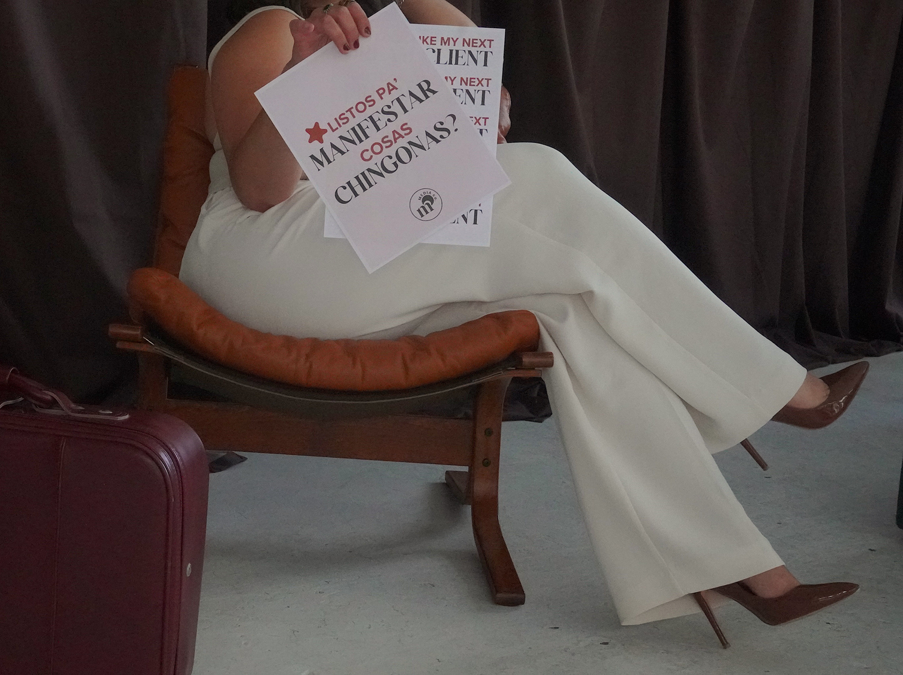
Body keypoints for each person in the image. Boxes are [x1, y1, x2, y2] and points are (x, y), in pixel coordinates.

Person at [180, 0, 866, 645]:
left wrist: (476, 112)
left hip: (366, 257)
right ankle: (774, 386)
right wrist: (304, 81)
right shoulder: (271, 26)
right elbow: (260, 192)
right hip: (268, 258)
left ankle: (729, 562)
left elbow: (467, 59)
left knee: (569, 309)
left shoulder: (383, 30)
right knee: (537, 170)